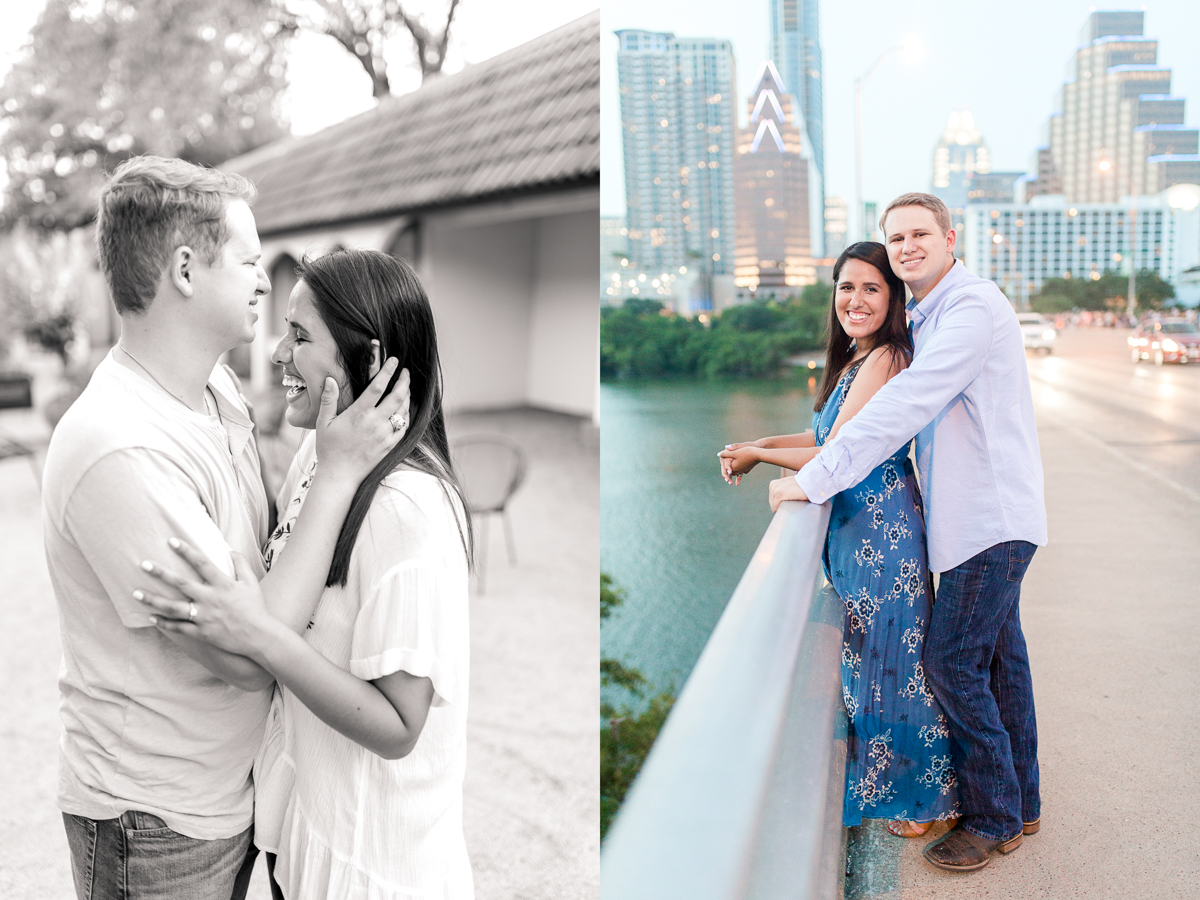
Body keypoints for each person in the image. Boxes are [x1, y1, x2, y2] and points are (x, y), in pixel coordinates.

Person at [42, 157, 408, 900]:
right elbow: (246, 657)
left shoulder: (215, 386)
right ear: (184, 268)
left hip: (229, 790)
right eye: (248, 260)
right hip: (155, 822)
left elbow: (264, 567)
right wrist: (336, 474)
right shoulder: (121, 447)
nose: (264, 280)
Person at [134, 249, 475, 900]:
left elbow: (400, 725)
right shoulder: (323, 458)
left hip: (372, 869)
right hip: (305, 841)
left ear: (368, 361)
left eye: (299, 335)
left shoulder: (409, 510)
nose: (278, 353)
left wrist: (257, 635)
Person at [769, 193, 1047, 873]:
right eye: (896, 238)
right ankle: (1023, 800)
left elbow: (908, 404)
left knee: (952, 662)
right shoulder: (931, 314)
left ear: (951, 238)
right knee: (999, 662)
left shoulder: (970, 309)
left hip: (990, 520)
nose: (907, 246)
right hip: (980, 521)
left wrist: (814, 477)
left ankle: (992, 818)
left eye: (919, 233)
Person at [718, 242, 960, 836]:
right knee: (870, 661)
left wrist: (761, 458)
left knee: (893, 663)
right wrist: (759, 446)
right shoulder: (860, 358)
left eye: (871, 288)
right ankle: (899, 791)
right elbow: (822, 429)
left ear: (893, 298)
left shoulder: (890, 358)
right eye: (846, 287)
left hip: (881, 529)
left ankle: (928, 800)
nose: (855, 300)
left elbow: (839, 452)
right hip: (858, 528)